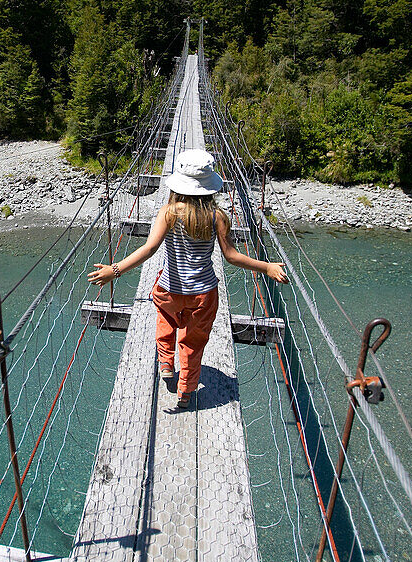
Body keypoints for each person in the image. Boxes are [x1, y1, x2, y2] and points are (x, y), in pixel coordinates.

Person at [88, 149, 289, 408]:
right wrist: (267, 267)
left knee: (165, 321)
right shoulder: (217, 216)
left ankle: (165, 363)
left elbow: (148, 249)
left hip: (169, 288)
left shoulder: (168, 213)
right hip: (203, 294)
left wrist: (113, 271)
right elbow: (231, 256)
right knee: (193, 344)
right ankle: (186, 392)